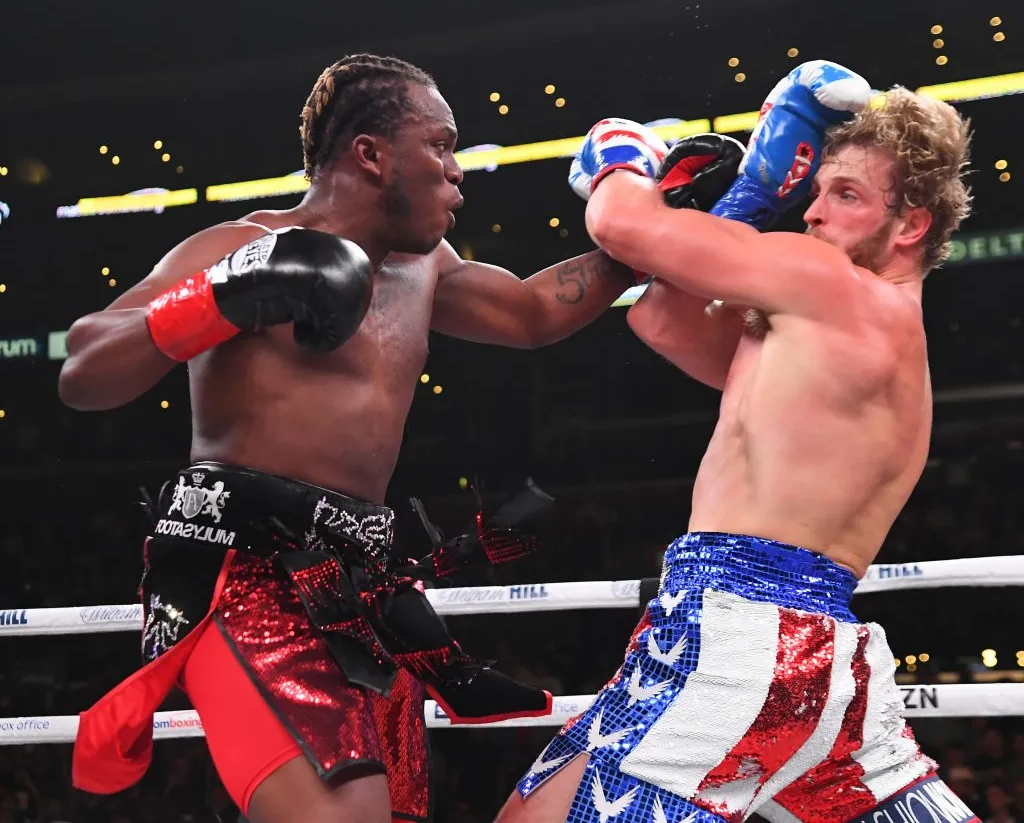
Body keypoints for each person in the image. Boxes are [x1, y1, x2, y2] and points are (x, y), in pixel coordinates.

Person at [59, 53, 669, 823]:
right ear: (372, 154)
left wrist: (651, 226)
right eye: (440, 145)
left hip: (361, 590)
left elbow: (532, 311)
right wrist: (220, 297)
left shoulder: (425, 268)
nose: (457, 172)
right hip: (240, 575)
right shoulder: (246, 242)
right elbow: (84, 366)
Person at [499, 63, 979, 822]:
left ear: (912, 224)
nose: (815, 215)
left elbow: (622, 227)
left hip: (737, 639)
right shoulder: (859, 336)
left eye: (846, 195)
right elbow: (663, 319)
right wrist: (752, 193)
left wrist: (621, 156)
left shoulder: (835, 287)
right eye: (815, 190)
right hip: (806, 645)